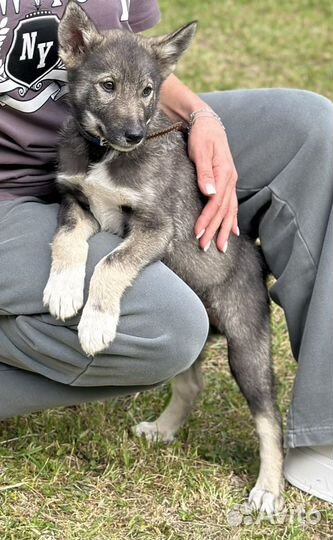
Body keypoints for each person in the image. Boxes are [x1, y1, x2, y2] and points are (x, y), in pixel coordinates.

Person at [0, 0, 332, 504]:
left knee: (309, 125)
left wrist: (201, 117)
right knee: (171, 327)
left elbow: (141, 64)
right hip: (16, 188)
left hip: (125, 148)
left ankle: (322, 427)